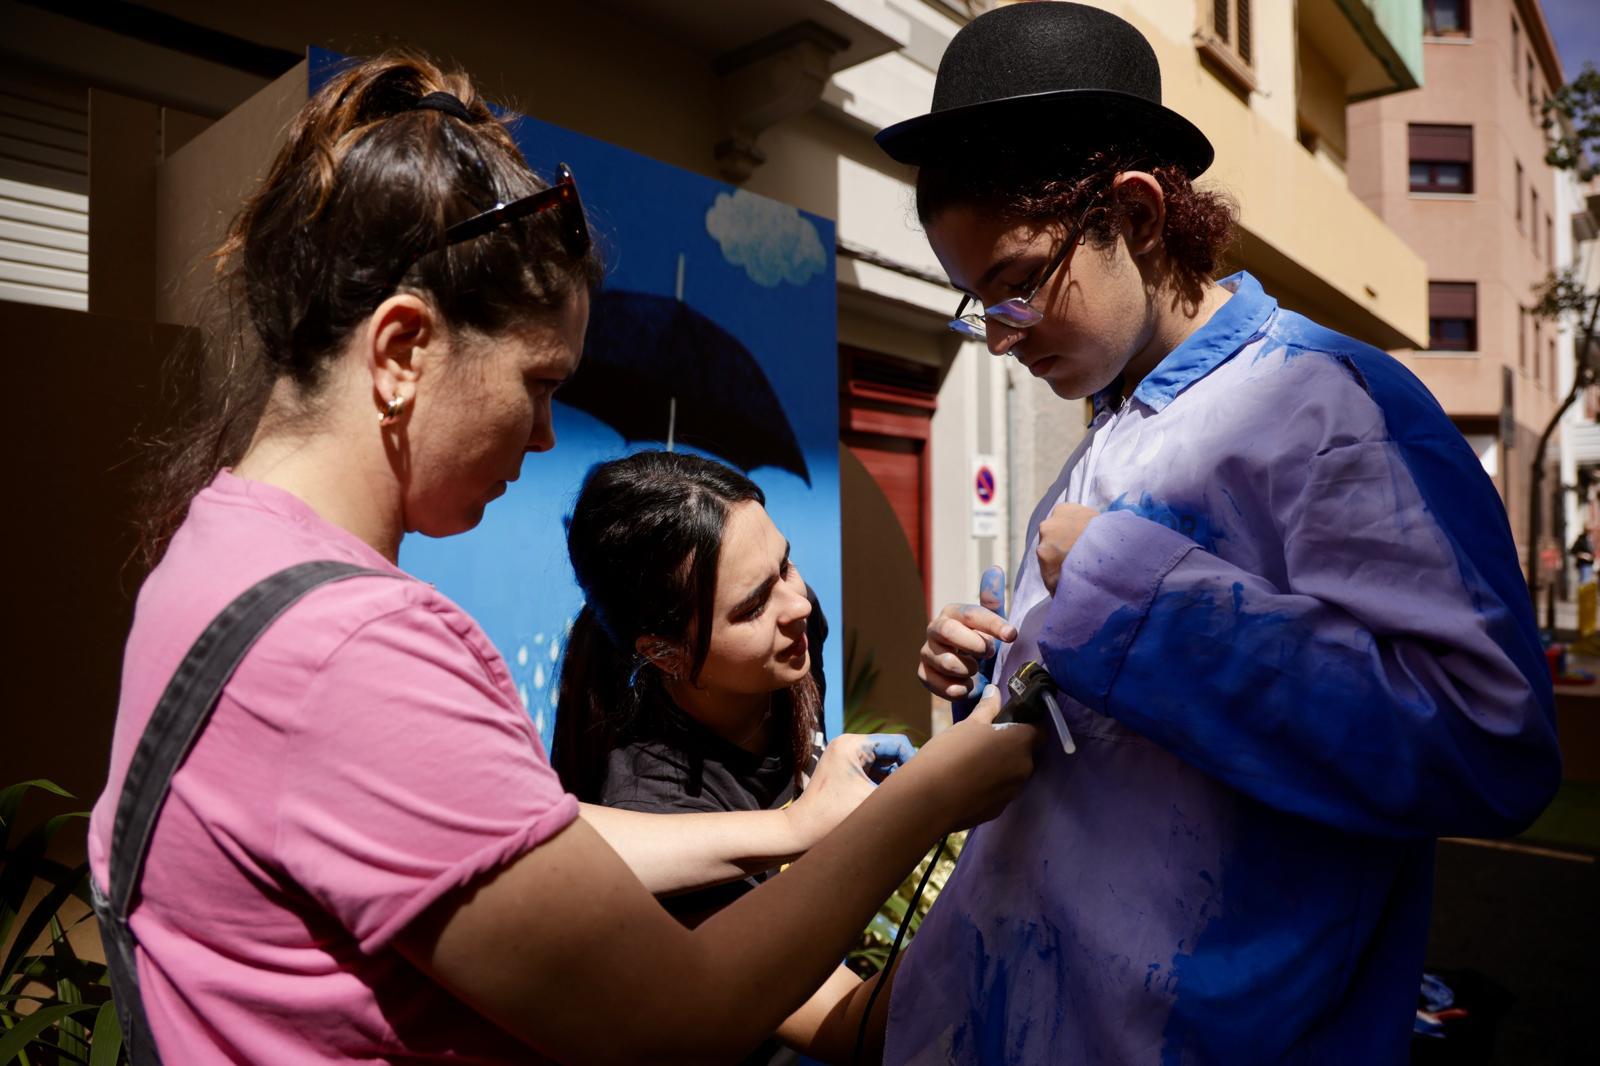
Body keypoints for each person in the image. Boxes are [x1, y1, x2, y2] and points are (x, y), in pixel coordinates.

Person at [86, 50, 1039, 1064]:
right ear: (403, 350)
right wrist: (930, 801)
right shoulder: (352, 651)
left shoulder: (220, 548)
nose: (544, 436)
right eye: (537, 383)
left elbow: (521, 838)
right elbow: (676, 1014)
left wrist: (791, 828)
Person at [875, 5, 1563, 1064]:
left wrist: (1125, 587)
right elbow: (1121, 748)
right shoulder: (1100, 437)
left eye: (1014, 285)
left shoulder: (1333, 408)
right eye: (980, 305)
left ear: (1138, 217)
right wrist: (995, 667)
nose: (1002, 340)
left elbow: (1489, 744)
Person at [552, 449, 909, 1063]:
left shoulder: (792, 634)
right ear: (665, 653)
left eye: (787, 564)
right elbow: (856, 1027)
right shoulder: (655, 808)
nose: (796, 604)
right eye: (752, 606)